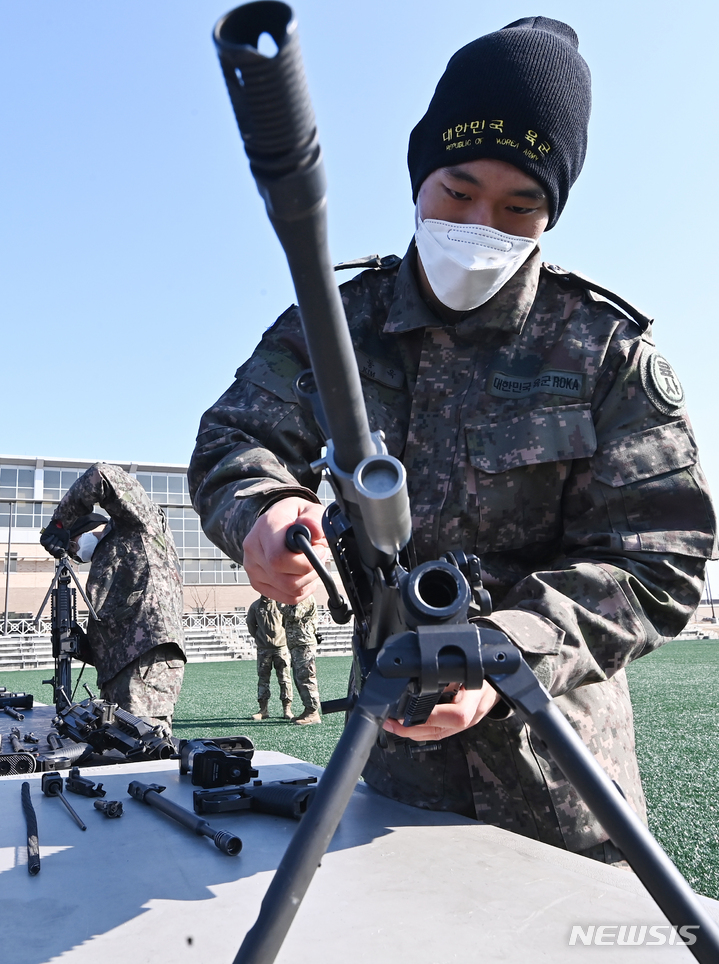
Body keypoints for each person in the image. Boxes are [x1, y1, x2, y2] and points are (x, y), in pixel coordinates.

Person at [188, 17, 716, 863]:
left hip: (566, 786)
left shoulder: (604, 349)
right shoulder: (335, 326)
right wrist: (264, 509)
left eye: (519, 207)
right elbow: (236, 437)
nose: (479, 224)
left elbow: (662, 556)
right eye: (457, 191)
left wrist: (505, 652)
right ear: (417, 177)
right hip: (391, 781)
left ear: (553, 211)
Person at [40, 462, 186, 732]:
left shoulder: (138, 526)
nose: (74, 553)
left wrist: (60, 522)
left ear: (88, 527)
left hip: (145, 663)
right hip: (121, 672)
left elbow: (103, 474)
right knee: (120, 749)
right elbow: (111, 647)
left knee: (144, 744)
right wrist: (74, 641)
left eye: (72, 544)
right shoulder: (106, 559)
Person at [246, 594, 294, 720]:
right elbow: (251, 625)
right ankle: (263, 710)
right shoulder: (255, 606)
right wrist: (260, 638)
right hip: (263, 649)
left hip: (280, 648)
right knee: (263, 680)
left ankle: (287, 709)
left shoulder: (281, 604)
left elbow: (287, 622)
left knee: (285, 679)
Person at [278, 596, 321, 725]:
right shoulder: (293, 599)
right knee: (300, 678)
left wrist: (280, 602)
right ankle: (308, 709)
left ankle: (313, 713)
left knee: (306, 677)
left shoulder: (304, 597)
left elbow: (294, 614)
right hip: (297, 644)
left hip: (304, 643)